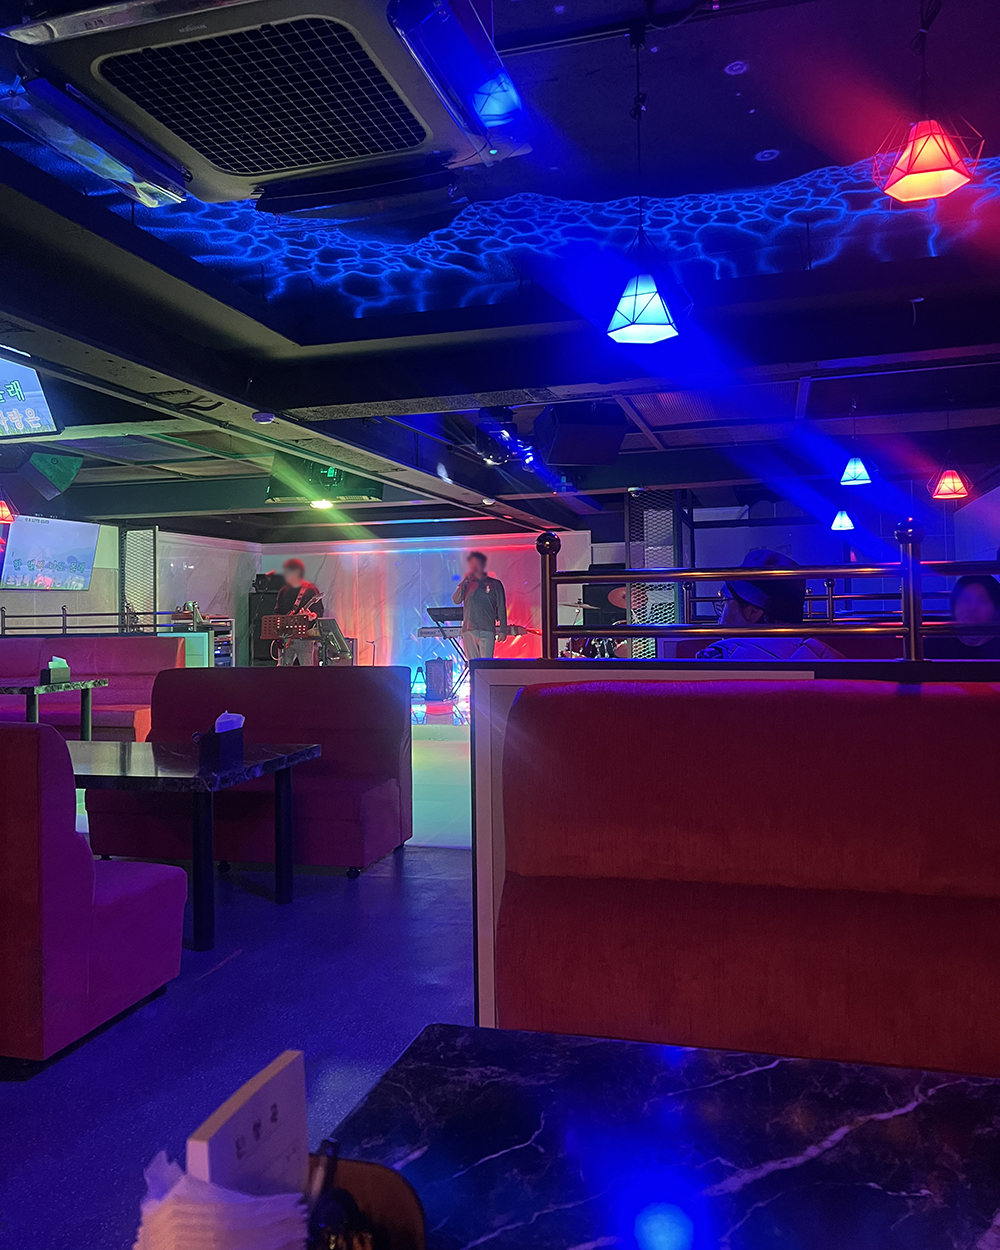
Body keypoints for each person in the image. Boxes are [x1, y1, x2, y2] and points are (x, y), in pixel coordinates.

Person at [696, 548, 844, 661]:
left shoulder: (718, 657)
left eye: (725, 602)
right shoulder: (828, 658)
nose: (720, 617)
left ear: (753, 612)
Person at [924, 575, 1000, 659]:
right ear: (954, 607)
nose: (972, 608)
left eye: (982, 601)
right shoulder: (932, 644)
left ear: (996, 610)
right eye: (966, 600)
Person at [452, 550, 507, 660]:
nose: (475, 566)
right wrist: (464, 583)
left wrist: (503, 629)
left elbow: (501, 607)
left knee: (486, 664)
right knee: (473, 663)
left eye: (477, 563)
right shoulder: (467, 584)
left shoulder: (495, 584)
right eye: (472, 564)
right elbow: (456, 600)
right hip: (469, 630)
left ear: (483, 564)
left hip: (487, 629)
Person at [275, 557, 324, 666]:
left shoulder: (310, 589)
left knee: (306, 668)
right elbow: (277, 611)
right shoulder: (283, 590)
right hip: (286, 636)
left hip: (304, 637)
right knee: (282, 670)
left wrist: (311, 616)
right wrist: (282, 622)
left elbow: (319, 611)